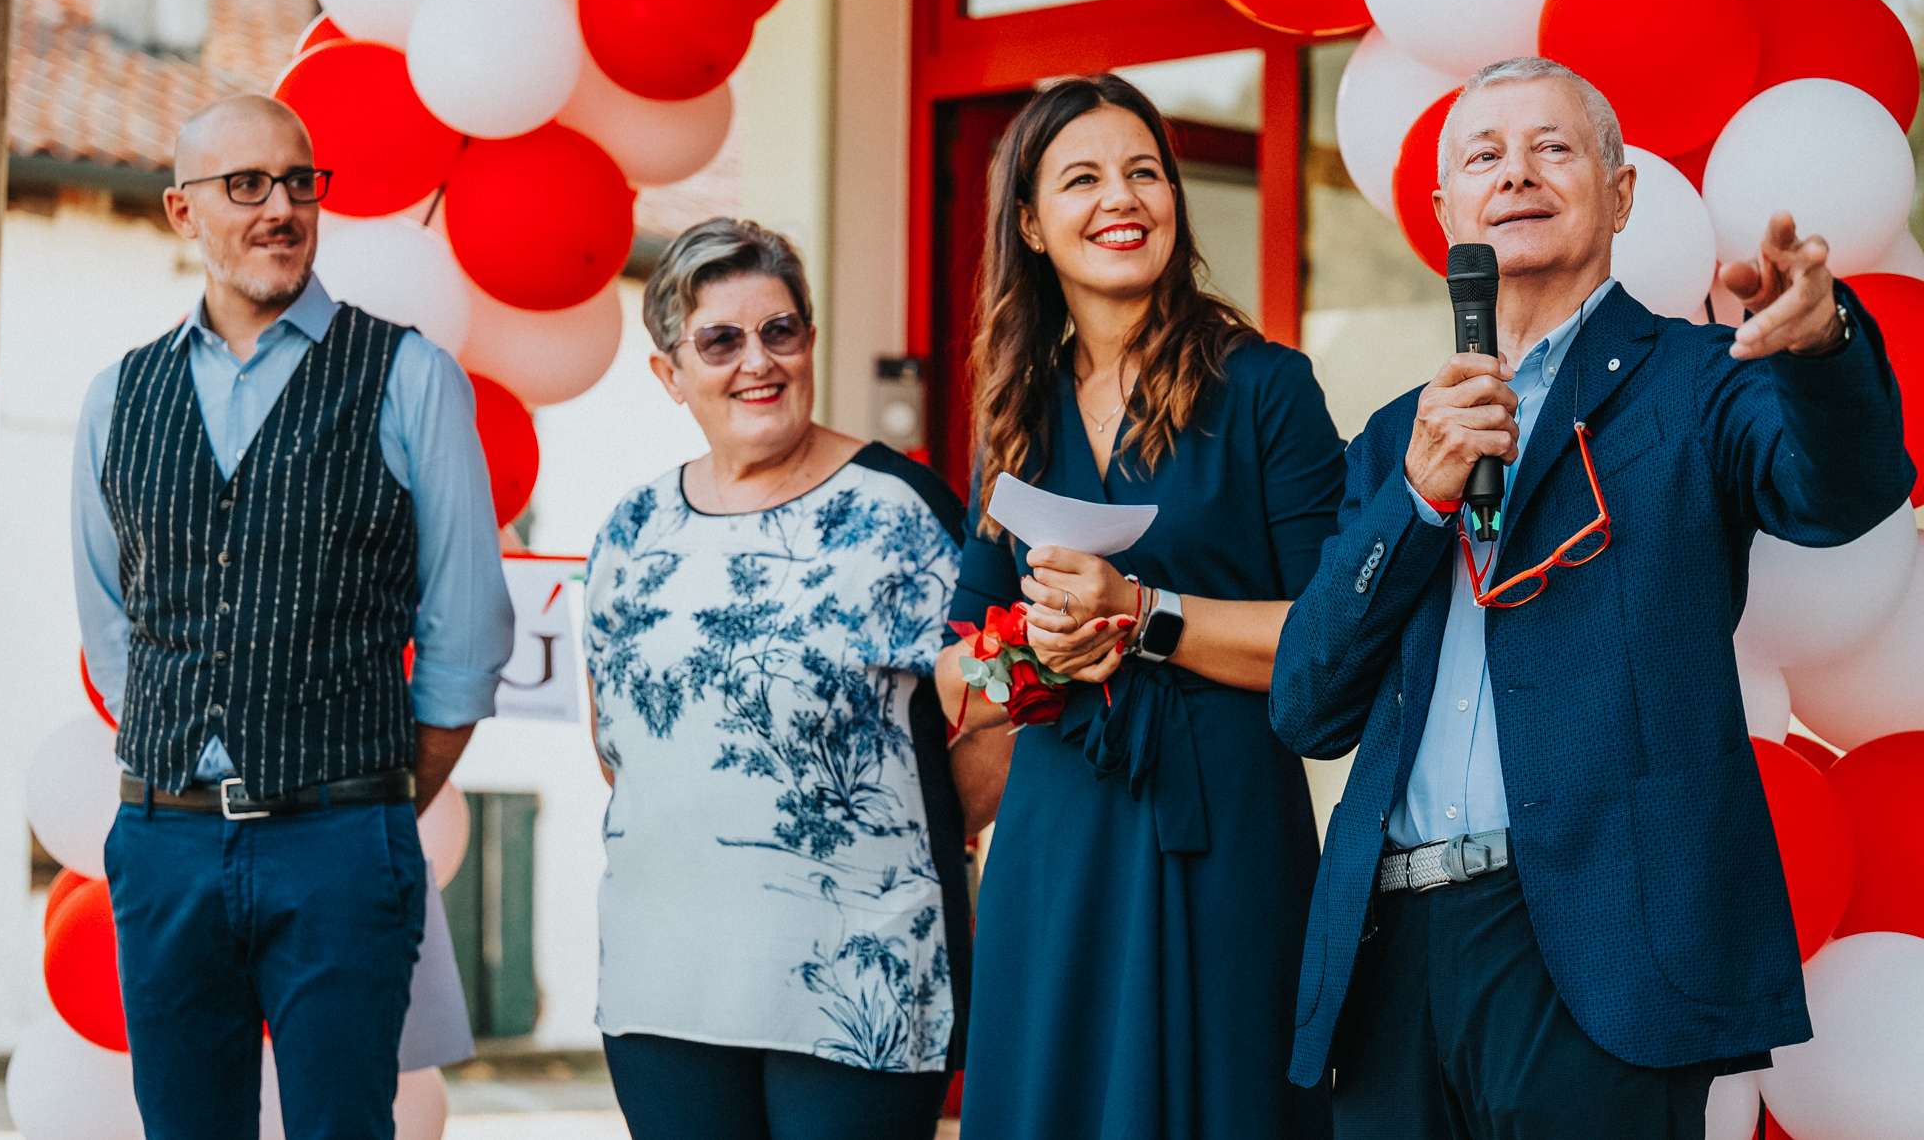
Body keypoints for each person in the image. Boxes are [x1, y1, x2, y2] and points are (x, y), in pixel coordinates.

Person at [1270, 56, 1914, 1139]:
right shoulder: (1396, 435)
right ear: (1446, 212)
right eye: (1484, 156)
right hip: (1391, 960)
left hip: (1598, 945)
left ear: (1619, 194)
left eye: (1551, 147)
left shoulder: (1698, 379)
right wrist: (1416, 499)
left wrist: (1820, 350)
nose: (1515, 173)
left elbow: (1840, 490)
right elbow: (1306, 702)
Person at [70, 94, 515, 1140]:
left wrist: (364, 799)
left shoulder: (409, 376)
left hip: (340, 838)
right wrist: (189, 752)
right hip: (167, 840)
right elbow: (112, 629)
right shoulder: (116, 396)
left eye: (297, 182)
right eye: (246, 185)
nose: (280, 207)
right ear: (184, 211)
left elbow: (466, 631)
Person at [938, 74, 1347, 1140]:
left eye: (1143, 172)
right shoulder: (1014, 413)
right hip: (1055, 836)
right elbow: (956, 671)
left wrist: (1144, 613)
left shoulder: (1268, 390)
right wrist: (1033, 646)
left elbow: (1331, 641)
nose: (1120, 197)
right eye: (1081, 178)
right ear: (1031, 223)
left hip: (1221, 832)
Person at [581, 217, 970, 1140]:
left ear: (810, 340)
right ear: (669, 373)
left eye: (779, 330)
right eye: (720, 339)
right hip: (662, 984)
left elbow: (1000, 720)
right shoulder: (631, 530)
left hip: (856, 982)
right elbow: (616, 744)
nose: (758, 360)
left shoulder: (902, 513)